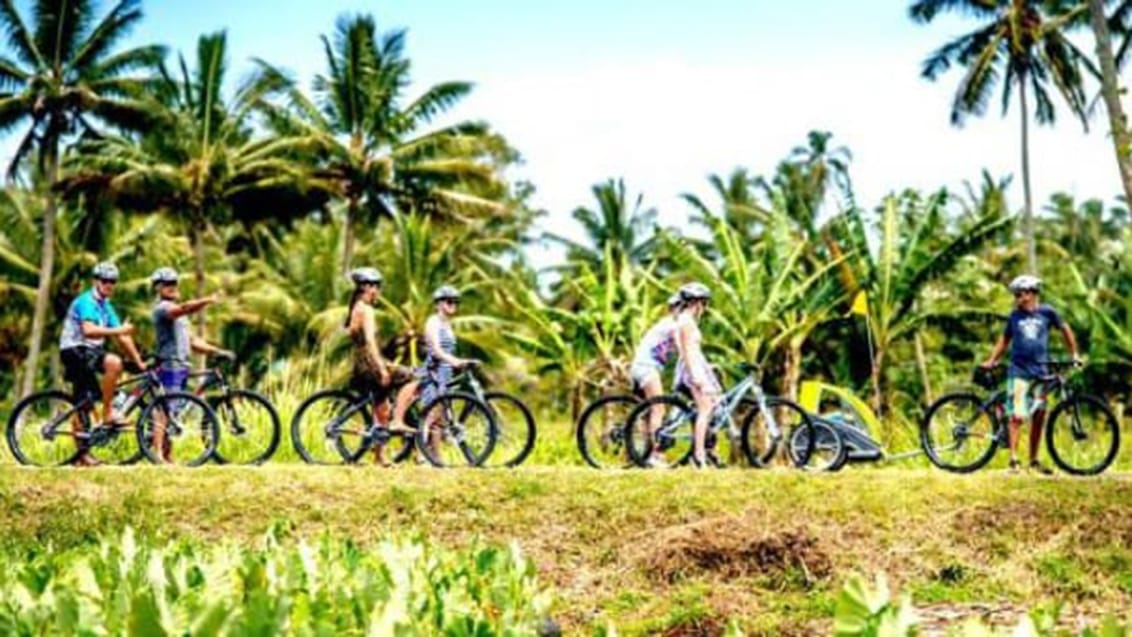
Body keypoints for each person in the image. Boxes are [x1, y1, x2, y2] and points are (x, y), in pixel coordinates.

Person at [980, 274, 1080, 474]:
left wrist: (1074, 354)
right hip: (1019, 370)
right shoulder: (1014, 316)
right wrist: (992, 359)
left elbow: (1065, 330)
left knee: (1039, 416)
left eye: (1021, 294)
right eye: (1015, 295)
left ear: (1033, 293)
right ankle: (1014, 461)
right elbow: (1004, 339)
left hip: (1040, 372)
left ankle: (1033, 460)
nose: (1017, 299)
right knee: (1016, 415)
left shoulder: (1048, 312)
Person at [58, 261, 146, 466]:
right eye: (105, 281)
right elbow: (89, 330)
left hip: (90, 351)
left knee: (86, 401)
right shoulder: (86, 301)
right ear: (96, 282)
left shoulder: (106, 307)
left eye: (113, 282)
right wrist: (120, 331)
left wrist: (139, 362)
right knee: (111, 366)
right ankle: (105, 417)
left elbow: (123, 338)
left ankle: (83, 453)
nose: (109, 285)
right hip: (75, 349)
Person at [149, 267, 234, 461]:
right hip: (169, 364)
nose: (172, 287)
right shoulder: (163, 308)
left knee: (174, 411)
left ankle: (167, 456)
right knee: (165, 409)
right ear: (158, 288)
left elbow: (193, 342)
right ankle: (157, 454)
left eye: (174, 283)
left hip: (182, 365)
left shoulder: (180, 316)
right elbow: (185, 307)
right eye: (167, 284)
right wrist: (207, 300)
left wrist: (216, 351)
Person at [344, 267, 412, 464]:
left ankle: (379, 456)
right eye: (376, 287)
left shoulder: (355, 308)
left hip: (361, 364)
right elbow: (371, 343)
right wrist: (382, 368)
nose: (378, 292)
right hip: (370, 364)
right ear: (366, 288)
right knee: (413, 377)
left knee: (382, 408)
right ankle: (398, 420)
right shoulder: (366, 310)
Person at [389, 285, 476, 437]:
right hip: (434, 370)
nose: (453, 305)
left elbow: (449, 350)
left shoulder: (447, 325)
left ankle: (435, 456)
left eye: (456, 302)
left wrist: (460, 362)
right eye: (449, 302)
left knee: (440, 417)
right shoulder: (433, 322)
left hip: (445, 372)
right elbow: (436, 349)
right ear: (438, 304)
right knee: (429, 415)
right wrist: (454, 361)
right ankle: (420, 451)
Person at [629, 292, 682, 467]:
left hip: (641, 367)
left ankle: (641, 455)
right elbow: (683, 350)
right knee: (659, 409)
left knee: (647, 413)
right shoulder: (672, 325)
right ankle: (655, 456)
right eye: (679, 308)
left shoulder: (665, 325)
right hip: (647, 368)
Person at [673, 282, 721, 468]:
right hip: (692, 370)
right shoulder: (686, 322)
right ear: (698, 303)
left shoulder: (687, 320)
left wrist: (707, 368)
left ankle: (708, 451)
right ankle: (699, 455)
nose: (704, 307)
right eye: (703, 303)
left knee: (714, 405)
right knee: (705, 410)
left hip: (696, 367)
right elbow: (687, 352)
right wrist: (699, 378)